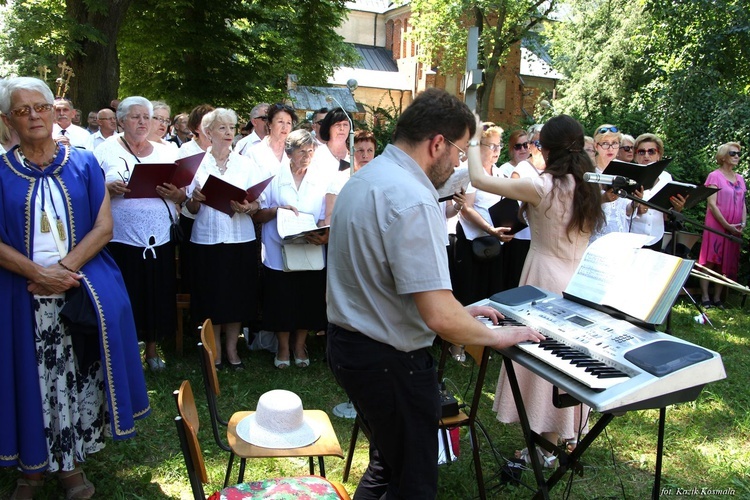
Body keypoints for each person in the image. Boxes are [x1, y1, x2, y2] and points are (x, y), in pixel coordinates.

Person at [327, 88, 544, 499]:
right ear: (437, 143)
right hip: (388, 360)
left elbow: (387, 283)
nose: (460, 163)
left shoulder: (366, 178)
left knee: (388, 464)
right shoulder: (412, 197)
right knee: (413, 482)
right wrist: (500, 337)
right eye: (461, 152)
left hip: (352, 348)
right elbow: (439, 317)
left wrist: (462, 309)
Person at [0, 76, 149, 500]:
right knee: (31, 380)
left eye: (41, 107)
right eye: (22, 110)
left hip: (78, 289)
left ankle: (71, 465)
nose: (34, 116)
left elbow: (104, 227)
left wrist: (63, 268)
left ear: (53, 112)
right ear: (7, 120)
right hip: (20, 297)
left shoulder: (84, 163)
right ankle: (29, 471)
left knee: (74, 377)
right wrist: (37, 272)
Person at [468, 114, 605, 466]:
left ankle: (547, 446)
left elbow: (479, 178)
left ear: (547, 148)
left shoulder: (542, 186)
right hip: (580, 278)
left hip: (545, 276)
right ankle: (560, 437)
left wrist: (472, 137)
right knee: (570, 359)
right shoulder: (590, 185)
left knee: (546, 361)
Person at [94, 96, 185, 371]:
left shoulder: (167, 152)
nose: (143, 122)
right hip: (122, 237)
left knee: (156, 294)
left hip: (160, 235)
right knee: (128, 295)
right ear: (121, 121)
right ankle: (127, 353)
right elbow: (87, 192)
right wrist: (106, 189)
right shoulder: (103, 151)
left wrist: (176, 193)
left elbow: (183, 193)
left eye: (147, 117)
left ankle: (154, 352)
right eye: (135, 117)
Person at [184, 109, 262, 369]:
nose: (229, 133)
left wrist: (247, 207)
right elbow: (190, 210)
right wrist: (194, 198)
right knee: (211, 297)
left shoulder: (246, 163)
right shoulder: (195, 164)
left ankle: (232, 349)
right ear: (208, 133)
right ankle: (214, 351)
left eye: (231, 128)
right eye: (222, 128)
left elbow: (257, 202)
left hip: (240, 238)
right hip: (206, 239)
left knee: (237, 296)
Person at [254, 129, 329, 369]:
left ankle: (300, 345)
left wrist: (321, 233)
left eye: (310, 151)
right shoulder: (273, 177)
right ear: (289, 153)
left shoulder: (320, 178)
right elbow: (258, 213)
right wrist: (278, 210)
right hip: (279, 250)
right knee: (282, 301)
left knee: (307, 299)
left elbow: (323, 216)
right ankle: (283, 347)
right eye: (301, 151)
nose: (306, 156)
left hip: (309, 248)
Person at [452, 124, 511, 305]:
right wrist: (490, 228)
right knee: (472, 295)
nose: (496, 150)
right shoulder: (469, 171)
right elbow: (466, 208)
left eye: (499, 145)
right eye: (491, 146)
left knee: (492, 294)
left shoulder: (498, 173)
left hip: (493, 244)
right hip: (472, 245)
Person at [698, 142, 747, 309]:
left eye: (739, 154)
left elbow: (743, 203)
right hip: (716, 225)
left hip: (735, 227)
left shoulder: (740, 178)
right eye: (733, 153)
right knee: (711, 260)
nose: (737, 157)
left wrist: (743, 222)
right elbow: (712, 204)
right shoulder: (714, 176)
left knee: (725, 263)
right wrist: (726, 225)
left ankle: (717, 298)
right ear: (723, 156)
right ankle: (705, 297)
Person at [626, 133, 684, 250]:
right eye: (641, 152)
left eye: (651, 151)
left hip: (656, 236)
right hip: (632, 236)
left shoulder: (666, 178)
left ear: (659, 155)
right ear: (636, 156)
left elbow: (667, 215)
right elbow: (620, 211)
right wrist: (636, 208)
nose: (646, 156)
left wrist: (677, 208)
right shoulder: (628, 177)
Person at [323, 129, 377, 225]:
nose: (365, 155)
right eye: (360, 150)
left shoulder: (380, 180)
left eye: (370, 150)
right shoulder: (339, 181)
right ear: (349, 152)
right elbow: (329, 219)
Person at [589, 124, 630, 242]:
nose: (610, 148)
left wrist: (636, 204)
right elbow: (580, 207)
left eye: (615, 143)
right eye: (605, 143)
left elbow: (625, 210)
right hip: (595, 237)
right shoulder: (589, 171)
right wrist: (602, 199)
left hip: (620, 236)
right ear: (596, 146)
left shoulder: (625, 170)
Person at [314, 107, 351, 178]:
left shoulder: (355, 154)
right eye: (337, 125)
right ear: (328, 128)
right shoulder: (316, 154)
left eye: (345, 125)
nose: (342, 129)